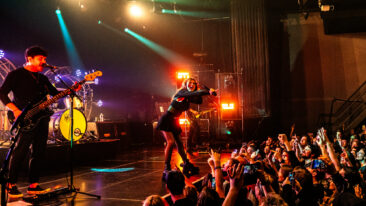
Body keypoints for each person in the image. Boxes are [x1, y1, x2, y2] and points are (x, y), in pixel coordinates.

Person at [0, 46, 61, 197]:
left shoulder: (43, 79)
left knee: (39, 152)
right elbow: (2, 93)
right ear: (29, 59)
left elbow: (56, 94)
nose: (44, 62)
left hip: (42, 118)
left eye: (45, 59)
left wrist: (73, 89)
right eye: (41, 59)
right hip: (24, 118)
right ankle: (11, 184)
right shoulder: (16, 74)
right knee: (20, 151)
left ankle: (33, 185)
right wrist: (15, 110)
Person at [157, 78, 215, 180]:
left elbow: (199, 100)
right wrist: (207, 91)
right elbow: (195, 94)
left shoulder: (189, 97)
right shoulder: (182, 93)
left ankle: (186, 163)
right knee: (170, 142)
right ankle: (167, 167)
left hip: (174, 121)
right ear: (185, 85)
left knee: (179, 143)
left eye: (194, 83)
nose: (192, 84)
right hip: (167, 119)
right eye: (190, 83)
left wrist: (206, 90)